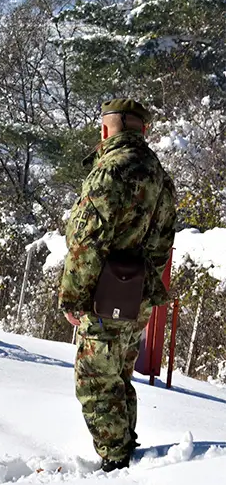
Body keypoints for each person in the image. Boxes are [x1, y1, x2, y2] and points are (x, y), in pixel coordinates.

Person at [59, 98, 177, 472]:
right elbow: (163, 242)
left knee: (95, 379)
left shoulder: (110, 171)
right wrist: (142, 288)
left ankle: (116, 463)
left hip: (102, 295)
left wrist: (73, 297)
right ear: (143, 130)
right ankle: (125, 453)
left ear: (108, 129)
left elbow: (85, 241)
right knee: (119, 377)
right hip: (135, 296)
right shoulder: (158, 173)